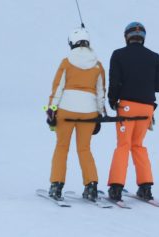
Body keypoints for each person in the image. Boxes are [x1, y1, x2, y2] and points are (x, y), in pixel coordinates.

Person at [45, 27, 106, 202]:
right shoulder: (97, 65)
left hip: (66, 110)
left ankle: (57, 185)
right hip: (89, 112)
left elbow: (58, 88)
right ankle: (91, 185)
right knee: (85, 149)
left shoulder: (66, 62)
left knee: (62, 147)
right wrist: (100, 114)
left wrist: (51, 109)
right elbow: (101, 92)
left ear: (72, 43)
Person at [106, 22, 159, 202]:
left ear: (126, 37)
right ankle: (145, 187)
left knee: (123, 145)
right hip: (147, 108)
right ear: (143, 37)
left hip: (127, 107)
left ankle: (116, 187)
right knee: (138, 145)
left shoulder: (118, 55)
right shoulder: (155, 57)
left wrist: (112, 100)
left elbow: (114, 82)